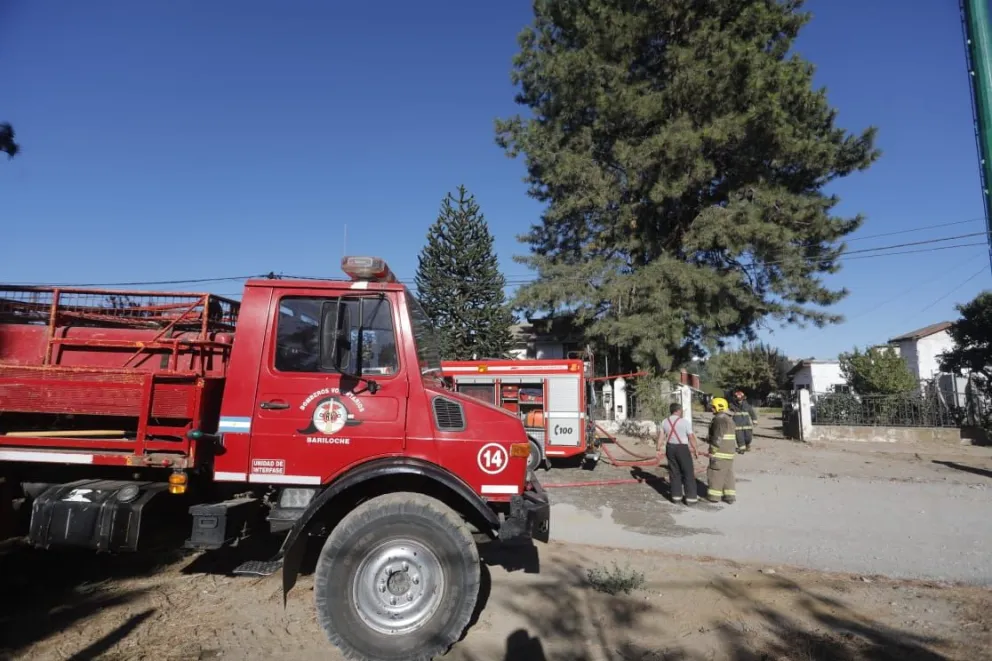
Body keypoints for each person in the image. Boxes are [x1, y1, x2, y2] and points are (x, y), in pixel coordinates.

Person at [659, 402, 698, 505]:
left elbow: (661, 436)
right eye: (681, 410)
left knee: (674, 472)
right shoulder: (684, 422)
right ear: (678, 410)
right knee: (688, 472)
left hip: (670, 448)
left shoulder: (665, 421)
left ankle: (676, 497)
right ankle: (691, 498)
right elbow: (691, 437)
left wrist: (658, 448)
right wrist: (696, 449)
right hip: (682, 448)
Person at [706, 397, 737, 504]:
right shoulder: (728, 418)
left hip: (720, 452)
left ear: (719, 407)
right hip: (729, 452)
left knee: (715, 473)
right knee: (728, 473)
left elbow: (717, 437)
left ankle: (714, 497)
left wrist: (712, 450)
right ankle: (729, 496)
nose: (711, 409)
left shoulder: (719, 419)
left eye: (713, 407)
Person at [730, 389, 758, 453]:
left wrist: (754, 421)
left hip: (747, 425)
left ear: (743, 398)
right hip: (737, 426)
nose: (739, 401)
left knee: (748, 438)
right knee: (739, 438)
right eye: (738, 399)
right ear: (735, 399)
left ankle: (747, 445)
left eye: (741, 399)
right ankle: (742, 448)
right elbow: (728, 413)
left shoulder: (747, 406)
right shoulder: (731, 406)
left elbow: (752, 413)